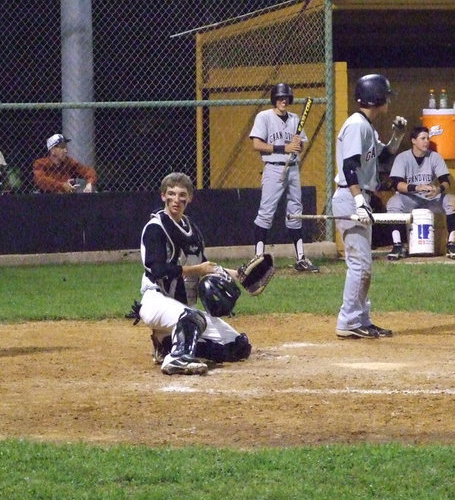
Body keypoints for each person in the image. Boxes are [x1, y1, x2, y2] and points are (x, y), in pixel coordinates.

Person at [134, 172, 251, 375]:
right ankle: (177, 358)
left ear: (190, 198)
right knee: (192, 317)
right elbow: (158, 269)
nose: (176, 199)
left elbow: (204, 264)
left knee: (238, 347)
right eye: (171, 193)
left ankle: (167, 343)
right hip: (156, 301)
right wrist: (197, 270)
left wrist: (238, 275)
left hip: (182, 307)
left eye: (182, 194)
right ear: (163, 196)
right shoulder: (155, 228)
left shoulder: (191, 228)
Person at [333, 74, 407, 339]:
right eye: (385, 96)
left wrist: (397, 137)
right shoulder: (356, 126)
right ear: (376, 98)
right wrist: (359, 202)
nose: (388, 101)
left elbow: (383, 160)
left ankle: (361, 319)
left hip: (358, 198)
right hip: (350, 197)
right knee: (360, 264)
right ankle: (348, 322)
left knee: (363, 265)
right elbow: (349, 166)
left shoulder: (367, 127)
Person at [249, 83, 319, 273]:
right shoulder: (264, 117)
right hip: (273, 168)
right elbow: (257, 144)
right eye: (280, 98)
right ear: (274, 99)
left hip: (293, 169)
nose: (284, 101)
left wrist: (297, 146)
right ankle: (257, 259)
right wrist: (284, 148)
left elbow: (299, 146)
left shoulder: (295, 118)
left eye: (286, 98)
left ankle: (301, 258)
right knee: (266, 212)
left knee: (295, 212)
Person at [385, 126, 455, 261]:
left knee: (454, 201)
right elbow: (397, 184)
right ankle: (398, 245)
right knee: (393, 203)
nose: (426, 141)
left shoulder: (435, 157)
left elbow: (445, 181)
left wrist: (438, 189)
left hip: (431, 198)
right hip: (410, 198)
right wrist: (417, 187)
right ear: (413, 141)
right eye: (422, 138)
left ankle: (451, 244)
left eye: (427, 138)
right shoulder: (402, 157)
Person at [33, 133, 97, 194]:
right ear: (52, 151)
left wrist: (89, 184)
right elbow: (40, 180)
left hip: (66, 200)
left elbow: (88, 171)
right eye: (62, 147)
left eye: (66, 147)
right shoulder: (40, 163)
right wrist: (62, 185)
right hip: (47, 199)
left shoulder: (69, 162)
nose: (65, 151)